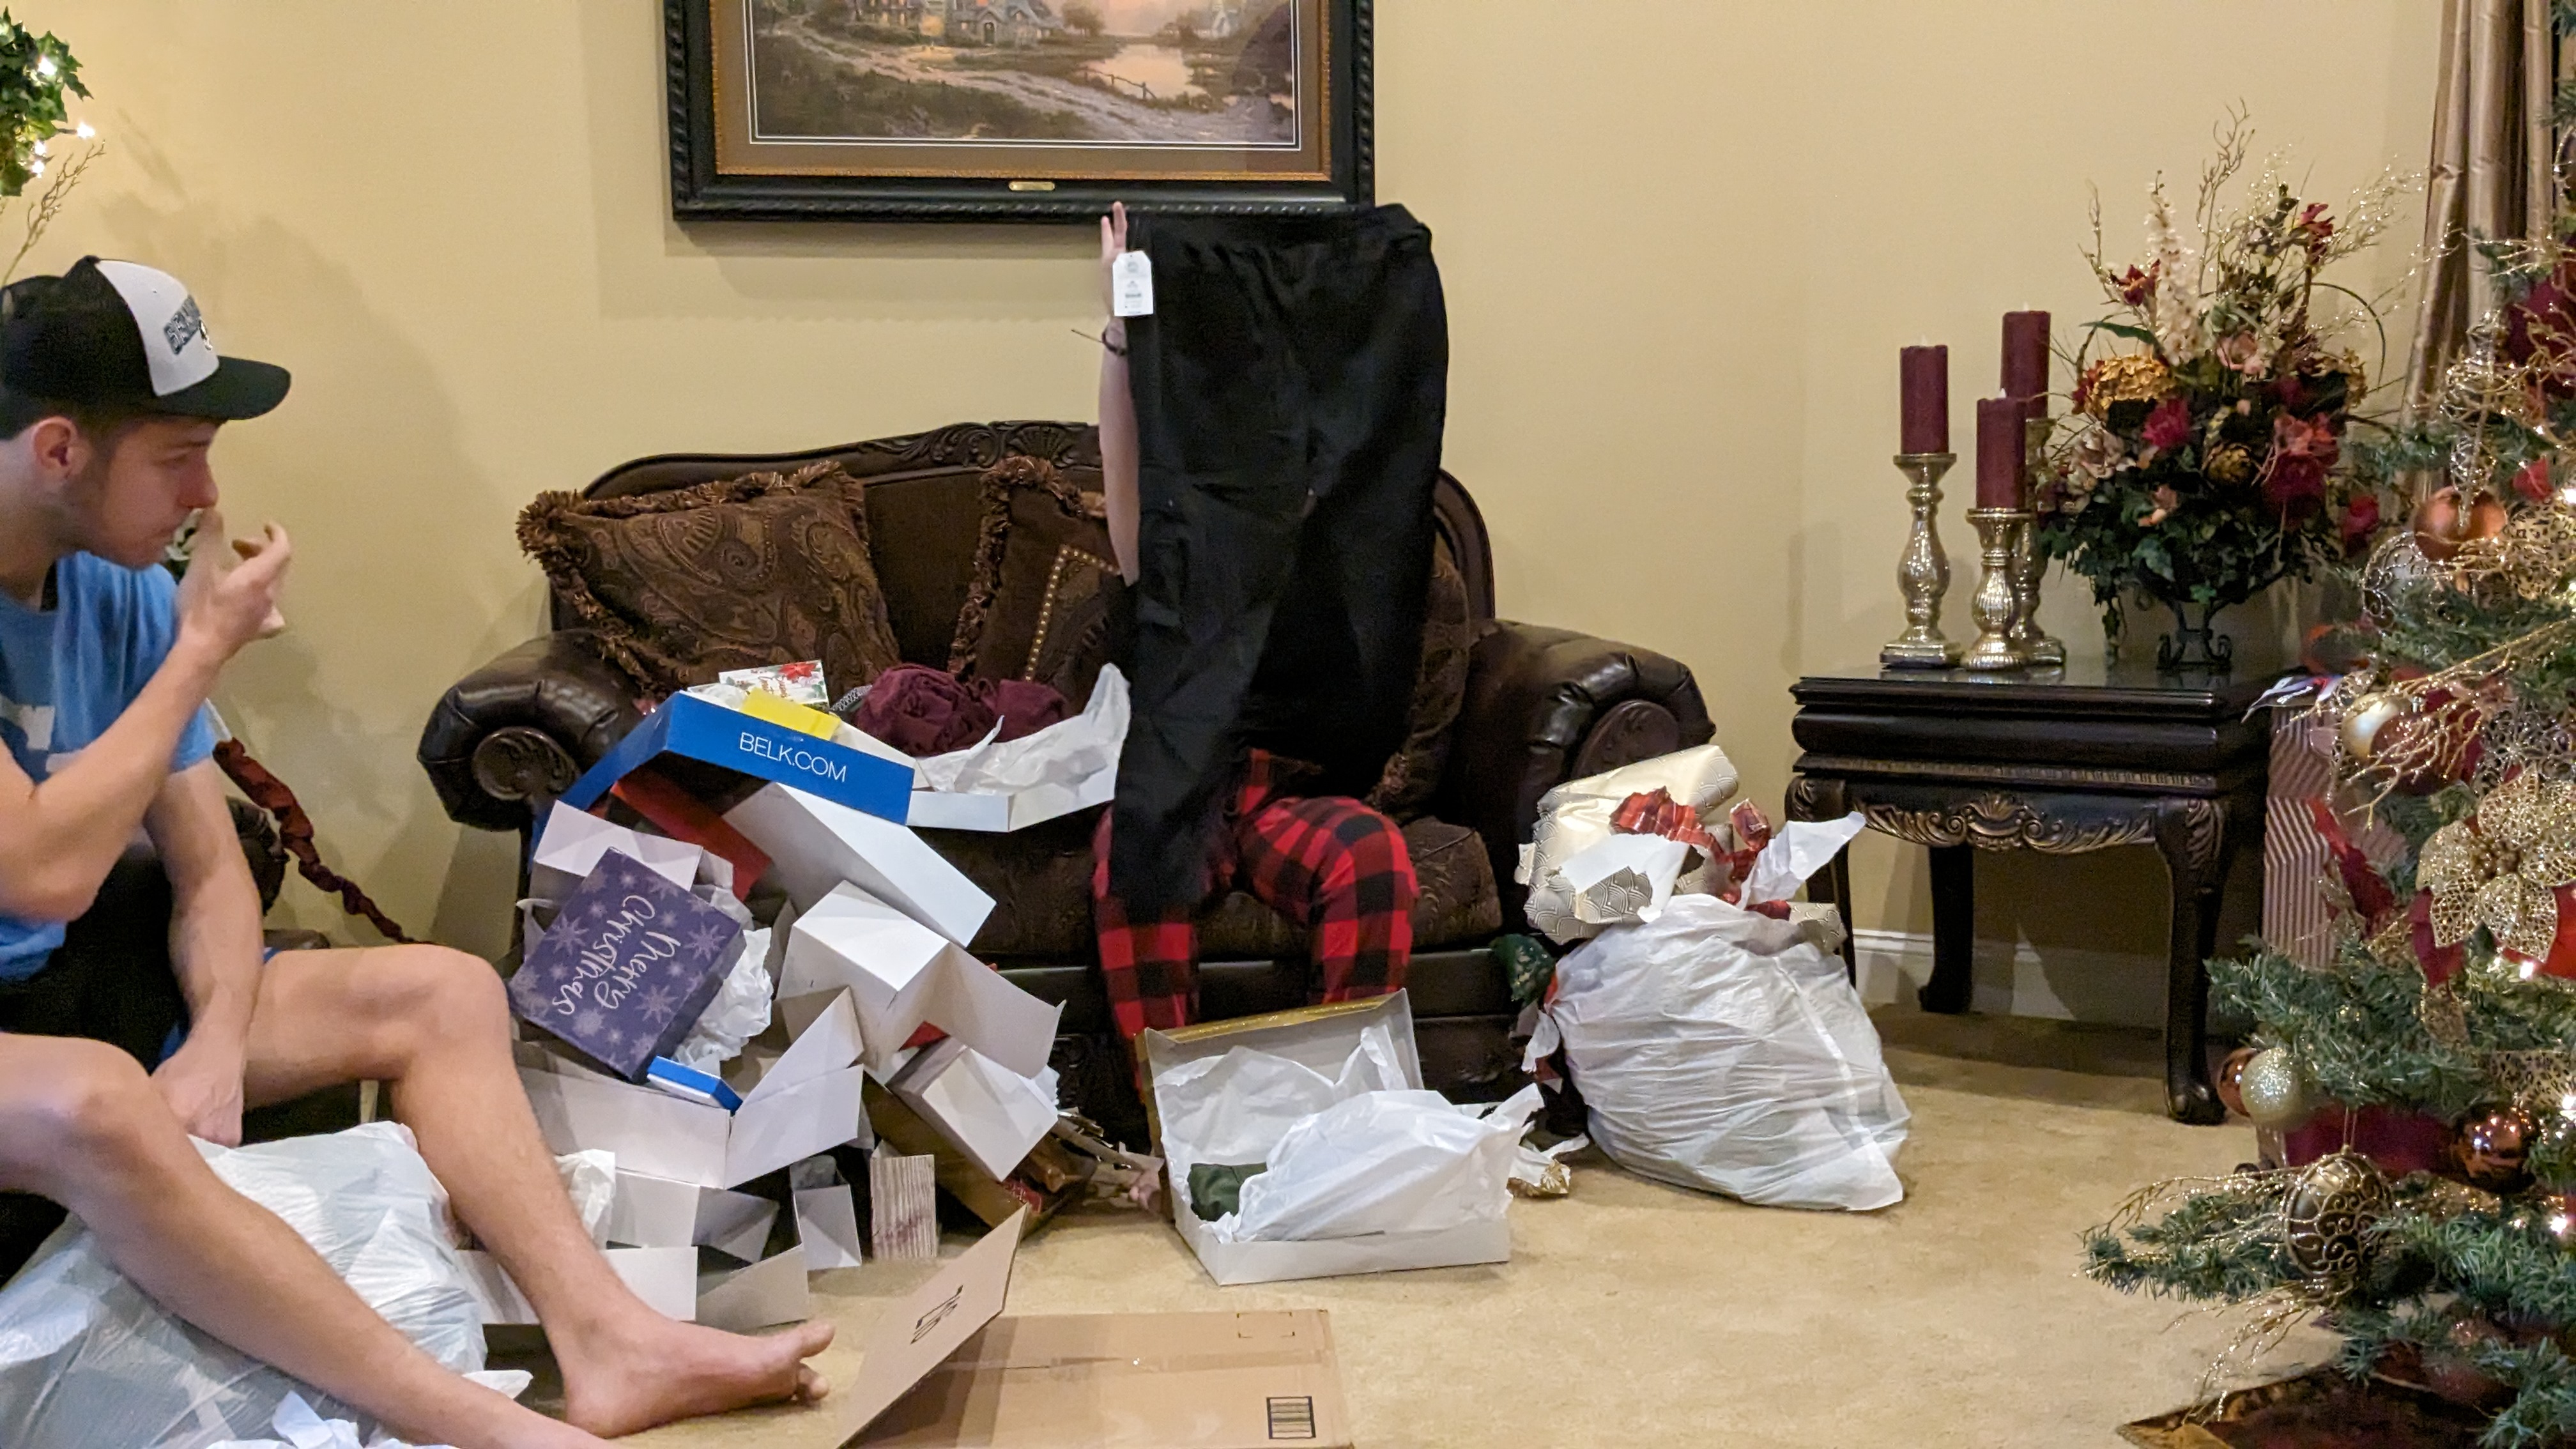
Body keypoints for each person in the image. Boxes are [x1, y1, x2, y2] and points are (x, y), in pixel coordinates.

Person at [0, 257, 831, 1448]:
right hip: (33, 1040)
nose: (207, 490)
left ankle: (614, 1345)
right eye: (179, 455)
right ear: (59, 450)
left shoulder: (114, 593)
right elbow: (40, 872)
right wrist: (199, 653)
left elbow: (211, 868)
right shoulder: (161, 621)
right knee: (97, 1102)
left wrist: (219, 1048)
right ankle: (481, 1426)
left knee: (442, 992)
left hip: (66, 985)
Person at [1086, 203, 1429, 1046]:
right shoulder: (1185, 551)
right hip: (1182, 790)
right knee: (1135, 859)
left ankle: (1351, 1098)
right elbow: (1126, 474)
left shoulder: (1342, 562)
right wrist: (1126, 322)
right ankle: (1169, 1104)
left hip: (1288, 800)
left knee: (1374, 857)